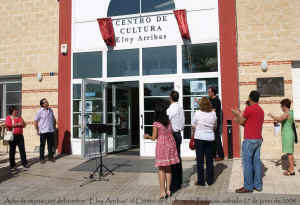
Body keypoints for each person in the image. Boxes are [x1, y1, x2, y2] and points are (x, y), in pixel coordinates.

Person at [144, 103, 180, 199]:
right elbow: (171, 132)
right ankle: (168, 190)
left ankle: (162, 192)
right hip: (170, 144)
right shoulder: (168, 121)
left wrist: (147, 136)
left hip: (162, 146)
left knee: (161, 169)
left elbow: (154, 137)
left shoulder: (156, 123)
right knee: (168, 168)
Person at [232, 90, 264, 193]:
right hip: (258, 139)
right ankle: (258, 186)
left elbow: (242, 121)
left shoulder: (249, 109)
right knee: (256, 163)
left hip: (249, 139)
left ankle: (248, 187)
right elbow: (250, 123)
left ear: (250, 98)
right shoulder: (261, 110)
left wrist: (236, 114)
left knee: (247, 164)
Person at [192, 97, 217, 186]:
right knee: (210, 160)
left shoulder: (197, 113)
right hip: (210, 138)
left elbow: (193, 126)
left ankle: (201, 181)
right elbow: (215, 127)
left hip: (199, 138)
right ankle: (210, 180)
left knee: (200, 161)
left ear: (200, 104)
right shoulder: (213, 114)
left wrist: (192, 137)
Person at [268, 98, 295, 176]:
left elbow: (279, 119)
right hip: (289, 133)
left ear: (284, 106)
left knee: (289, 153)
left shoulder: (287, 113)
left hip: (287, 134)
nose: (281, 108)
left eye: (281, 106)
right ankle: (290, 168)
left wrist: (271, 116)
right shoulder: (291, 112)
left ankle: (292, 170)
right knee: (290, 152)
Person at [167, 90, 185, 192]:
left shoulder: (171, 108)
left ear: (170, 98)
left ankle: (173, 185)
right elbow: (183, 123)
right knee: (178, 159)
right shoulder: (180, 107)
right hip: (178, 134)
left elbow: (165, 119)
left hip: (173, 134)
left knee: (173, 160)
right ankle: (178, 183)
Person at [34, 98, 56, 163]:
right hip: (43, 131)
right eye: (45, 102)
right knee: (42, 145)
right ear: (42, 104)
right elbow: (35, 121)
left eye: (47, 101)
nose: (47, 102)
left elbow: (53, 119)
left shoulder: (51, 110)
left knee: (50, 145)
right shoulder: (39, 111)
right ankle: (41, 158)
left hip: (50, 130)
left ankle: (50, 157)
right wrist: (37, 130)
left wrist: (54, 127)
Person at [208, 87, 224, 161]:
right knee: (213, 139)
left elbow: (213, 110)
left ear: (213, 92)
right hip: (211, 121)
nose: (208, 93)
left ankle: (220, 155)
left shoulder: (216, 100)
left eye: (209, 92)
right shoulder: (211, 100)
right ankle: (213, 155)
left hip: (215, 122)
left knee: (217, 139)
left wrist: (205, 108)